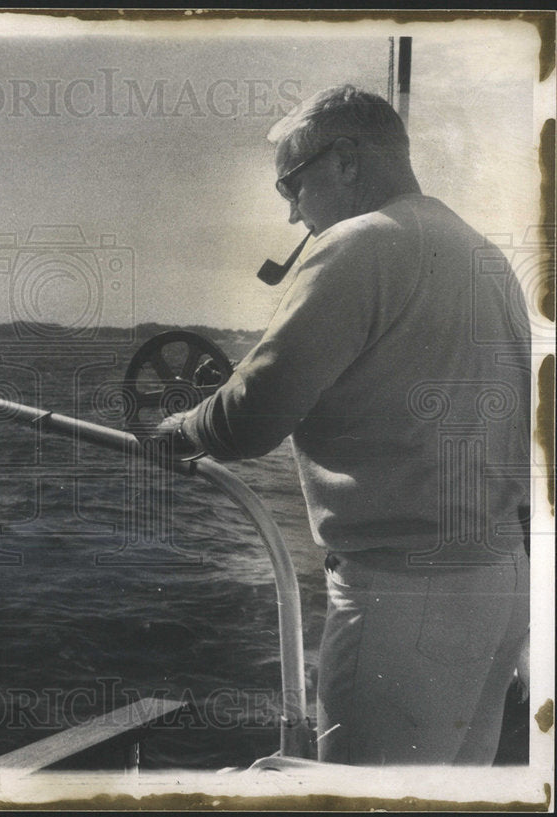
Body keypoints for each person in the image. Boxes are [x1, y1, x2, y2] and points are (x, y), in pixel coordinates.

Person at [156, 84, 531, 765]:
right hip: (502, 580)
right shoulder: (485, 256)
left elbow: (252, 415)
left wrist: (181, 430)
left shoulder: (355, 246)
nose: (294, 212)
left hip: (405, 597)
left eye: (292, 188)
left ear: (347, 162)